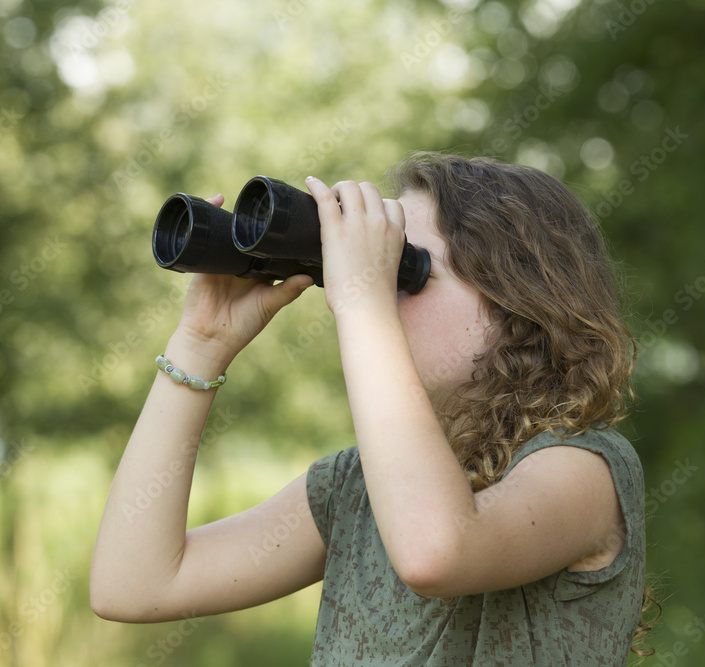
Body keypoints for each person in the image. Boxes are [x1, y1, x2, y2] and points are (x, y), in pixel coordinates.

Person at [90, 153, 656, 665]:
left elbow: (435, 552)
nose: (373, 284)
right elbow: (132, 585)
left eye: (403, 265)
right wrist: (201, 343)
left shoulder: (586, 469)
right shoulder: (351, 489)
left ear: (518, 301)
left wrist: (362, 298)